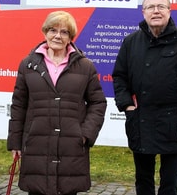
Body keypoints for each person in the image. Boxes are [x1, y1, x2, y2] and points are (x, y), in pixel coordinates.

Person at [112, 0, 177, 195]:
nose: (156, 11)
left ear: (169, 11)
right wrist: (127, 104)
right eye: (150, 7)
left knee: (169, 184)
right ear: (143, 12)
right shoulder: (131, 42)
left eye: (160, 6)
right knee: (143, 181)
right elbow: (119, 76)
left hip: (174, 124)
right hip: (140, 121)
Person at [7, 11, 107, 195]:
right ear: (45, 32)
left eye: (64, 32)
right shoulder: (28, 64)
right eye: (53, 30)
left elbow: (98, 103)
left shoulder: (85, 66)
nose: (57, 36)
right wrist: (15, 142)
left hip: (71, 147)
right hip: (36, 143)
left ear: (70, 38)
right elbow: (19, 105)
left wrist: (85, 134)